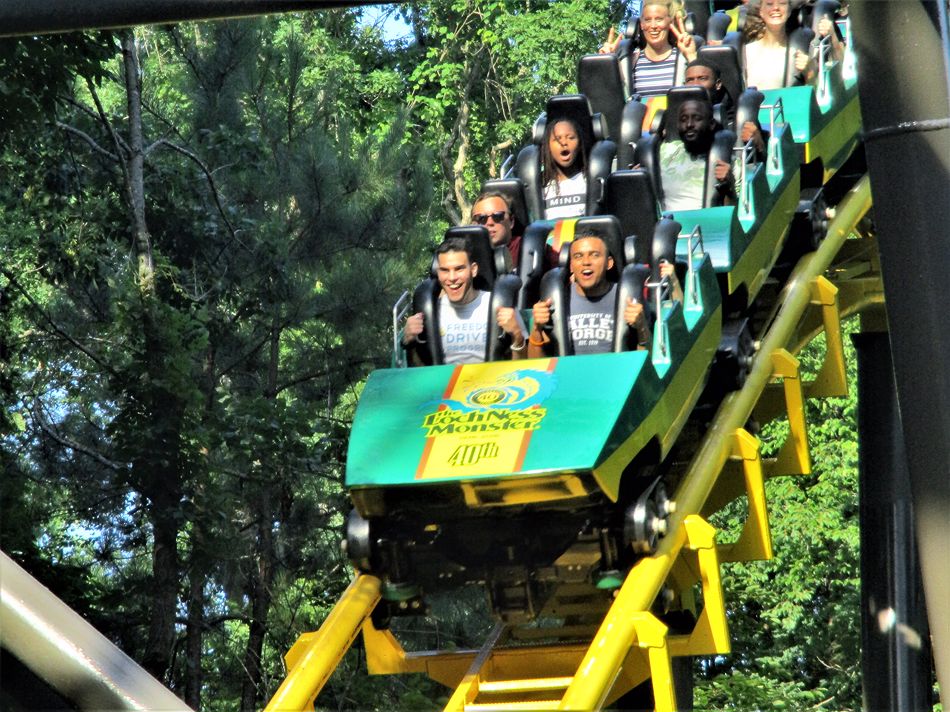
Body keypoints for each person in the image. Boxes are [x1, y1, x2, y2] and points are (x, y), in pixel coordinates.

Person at [403, 237, 528, 364]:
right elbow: (420, 370)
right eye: (445, 270)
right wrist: (410, 342)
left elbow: (525, 366)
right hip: (446, 382)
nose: (452, 278)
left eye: (459, 269)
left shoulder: (500, 304)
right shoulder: (429, 312)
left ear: (473, 270)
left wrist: (517, 336)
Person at [527, 231, 652, 357]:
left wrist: (641, 327)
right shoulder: (556, 300)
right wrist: (537, 328)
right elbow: (536, 365)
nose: (586, 262)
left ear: (609, 263)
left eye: (594, 255)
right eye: (578, 256)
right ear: (571, 266)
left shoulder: (629, 298)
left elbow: (649, 360)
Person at [599, 1, 698, 98]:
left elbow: (701, 91)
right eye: (648, 20)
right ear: (641, 24)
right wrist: (608, 64)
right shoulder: (630, 62)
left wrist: (691, 56)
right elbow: (613, 96)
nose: (653, 26)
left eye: (659, 19)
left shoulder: (683, 58)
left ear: (670, 22)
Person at [659, 97, 737, 212]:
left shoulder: (731, 163)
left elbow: (737, 216)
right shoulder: (663, 152)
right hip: (664, 224)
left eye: (697, 119)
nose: (689, 124)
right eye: (683, 119)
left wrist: (729, 187)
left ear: (711, 124)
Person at [741, 0, 840, 89]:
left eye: (782, 3)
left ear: (789, 11)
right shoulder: (747, 52)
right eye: (769, 4)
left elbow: (818, 88)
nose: (776, 8)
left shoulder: (803, 49)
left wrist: (809, 71)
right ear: (760, 11)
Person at [685, 59, 766, 157]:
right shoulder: (677, 120)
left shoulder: (737, 121)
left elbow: (761, 163)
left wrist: (758, 143)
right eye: (690, 80)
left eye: (702, 78)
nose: (695, 85)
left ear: (718, 84)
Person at [470, 191, 557, 270]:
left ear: (511, 221)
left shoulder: (533, 246)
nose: (489, 223)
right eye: (481, 218)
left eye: (498, 216)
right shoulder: (466, 256)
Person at [541, 118, 589, 220]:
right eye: (557, 139)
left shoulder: (589, 180)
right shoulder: (542, 186)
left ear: (580, 144)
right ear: (548, 147)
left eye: (571, 138)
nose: (564, 143)